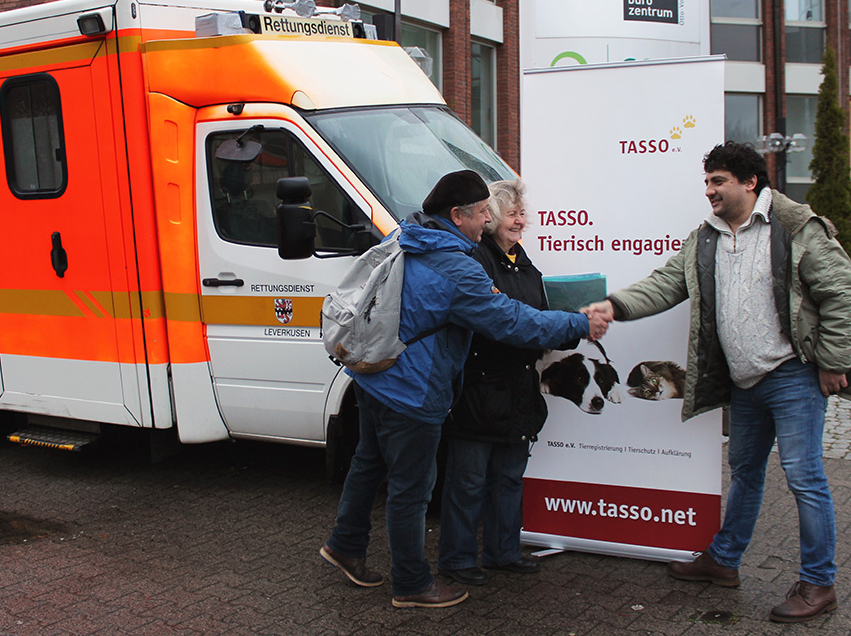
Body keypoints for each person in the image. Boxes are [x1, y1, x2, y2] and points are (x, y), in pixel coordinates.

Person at [585, 141, 851, 623]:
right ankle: (724, 561)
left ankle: (819, 582)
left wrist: (834, 361)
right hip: (745, 381)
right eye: (707, 181)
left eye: (718, 181)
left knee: (804, 477)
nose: (709, 190)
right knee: (745, 472)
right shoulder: (705, 237)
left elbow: (839, 290)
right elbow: (666, 284)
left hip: (793, 374)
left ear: (750, 182)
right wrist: (614, 306)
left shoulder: (794, 226)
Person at [320, 170, 609, 609]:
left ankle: (346, 544)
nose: (484, 224)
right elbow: (509, 321)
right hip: (412, 392)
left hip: (374, 375)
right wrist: (577, 323)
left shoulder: (410, 236)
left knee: (368, 463)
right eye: (480, 215)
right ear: (457, 216)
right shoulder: (456, 265)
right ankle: (413, 584)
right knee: (411, 489)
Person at [438, 180, 573, 586]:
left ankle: (503, 551)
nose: (520, 220)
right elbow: (499, 321)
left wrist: (566, 326)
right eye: (512, 212)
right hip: (479, 389)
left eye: (522, 213)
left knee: (510, 477)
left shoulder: (524, 261)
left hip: (518, 388)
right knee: (469, 481)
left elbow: (538, 314)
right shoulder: (475, 260)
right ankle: (458, 561)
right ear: (490, 216)